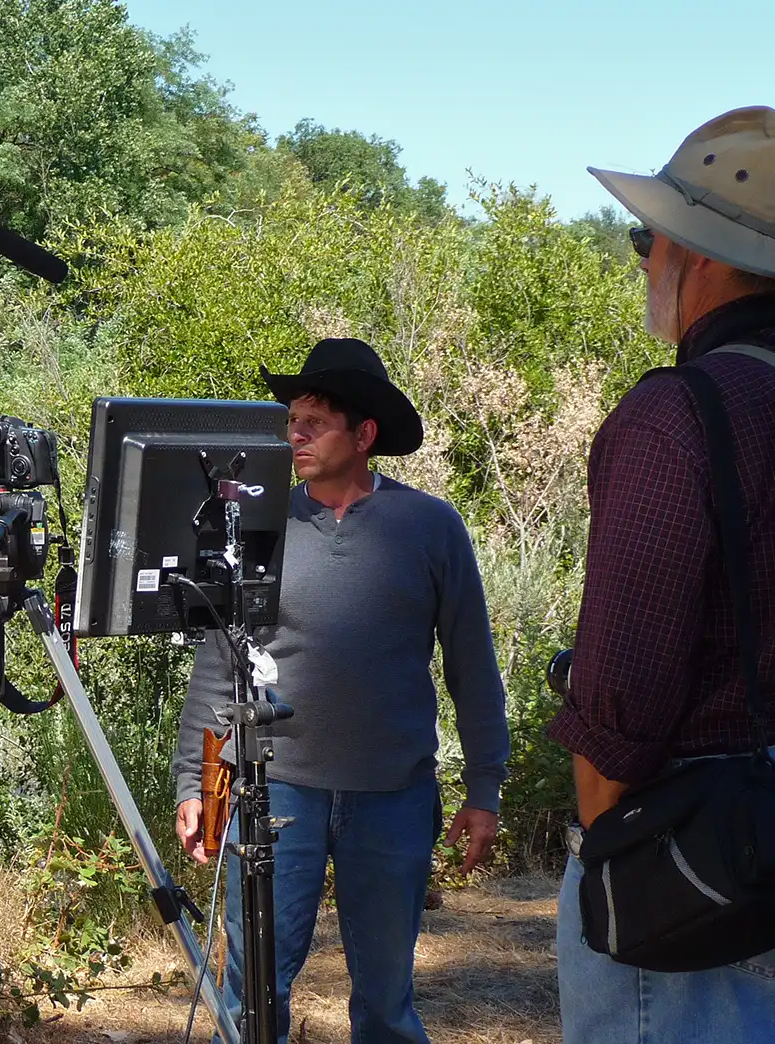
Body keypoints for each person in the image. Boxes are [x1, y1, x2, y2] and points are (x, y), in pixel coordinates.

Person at [173, 337, 510, 1044]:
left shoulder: (430, 528)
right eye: (291, 419)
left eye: (314, 422)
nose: (294, 434)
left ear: (364, 435)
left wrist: (485, 788)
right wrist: (193, 786)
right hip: (274, 790)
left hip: (394, 795)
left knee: (386, 1003)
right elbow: (216, 662)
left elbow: (472, 667)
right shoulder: (257, 525)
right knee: (254, 996)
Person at [551, 106, 775, 1042]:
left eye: (648, 237)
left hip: (690, 870)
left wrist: (611, 846)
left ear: (703, 257)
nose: (644, 258)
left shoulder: (675, 417)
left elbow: (622, 697)